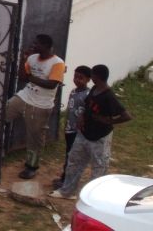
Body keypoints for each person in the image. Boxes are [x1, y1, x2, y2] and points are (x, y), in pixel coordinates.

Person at [52, 63, 132, 199]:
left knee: (98, 168)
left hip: (100, 137)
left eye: (93, 74)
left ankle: (93, 198)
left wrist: (109, 121)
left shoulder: (109, 96)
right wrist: (82, 117)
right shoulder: (95, 89)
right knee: (74, 161)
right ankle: (67, 191)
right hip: (84, 133)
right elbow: (87, 104)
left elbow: (126, 116)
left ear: (97, 77)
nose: (91, 77)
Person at [4, 33, 65, 180]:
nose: (33, 46)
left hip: (41, 105)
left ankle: (31, 166)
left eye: (37, 44)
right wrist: (23, 59)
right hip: (24, 97)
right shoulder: (32, 58)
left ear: (46, 46)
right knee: (0, 115)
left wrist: (31, 78)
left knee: (35, 138)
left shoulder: (57, 63)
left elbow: (52, 84)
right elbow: (22, 77)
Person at [54, 65, 92, 188]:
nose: (77, 80)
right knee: (68, 154)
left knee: (73, 157)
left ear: (88, 79)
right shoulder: (73, 92)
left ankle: (67, 181)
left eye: (81, 78)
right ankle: (64, 178)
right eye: (75, 77)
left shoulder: (88, 95)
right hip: (69, 129)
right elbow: (70, 110)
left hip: (78, 132)